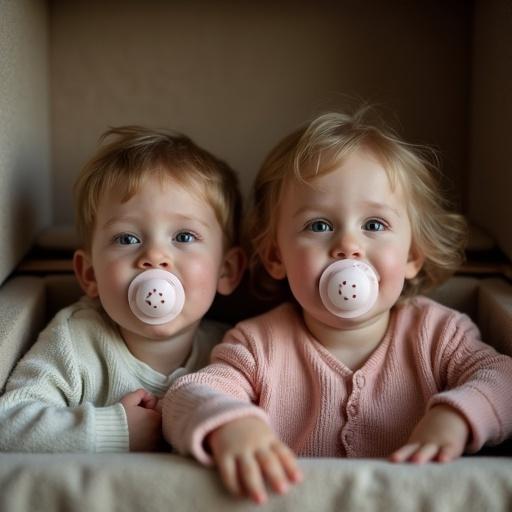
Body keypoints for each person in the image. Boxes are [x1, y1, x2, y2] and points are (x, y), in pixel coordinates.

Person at [161, 109, 512, 504]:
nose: (348, 245)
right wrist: (232, 424)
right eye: (319, 225)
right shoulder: (258, 344)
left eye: (374, 225)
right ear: (277, 255)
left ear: (413, 252)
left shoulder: (439, 335)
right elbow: (185, 395)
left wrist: (458, 415)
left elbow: (503, 377)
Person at [0, 126, 245, 453]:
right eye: (127, 239)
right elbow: (9, 424)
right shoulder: (75, 341)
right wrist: (113, 430)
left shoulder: (232, 352)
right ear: (90, 274)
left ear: (225, 271)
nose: (155, 256)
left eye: (184, 237)